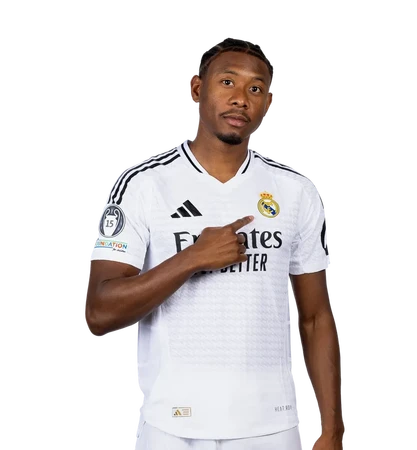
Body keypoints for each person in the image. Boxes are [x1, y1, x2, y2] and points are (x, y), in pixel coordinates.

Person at [85, 36, 345, 449]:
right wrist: (191, 258)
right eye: (227, 82)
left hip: (271, 426)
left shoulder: (296, 191)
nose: (240, 98)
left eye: (255, 88)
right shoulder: (143, 184)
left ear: (268, 104)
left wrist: (332, 429)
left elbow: (315, 318)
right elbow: (99, 313)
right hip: (172, 426)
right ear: (195, 89)